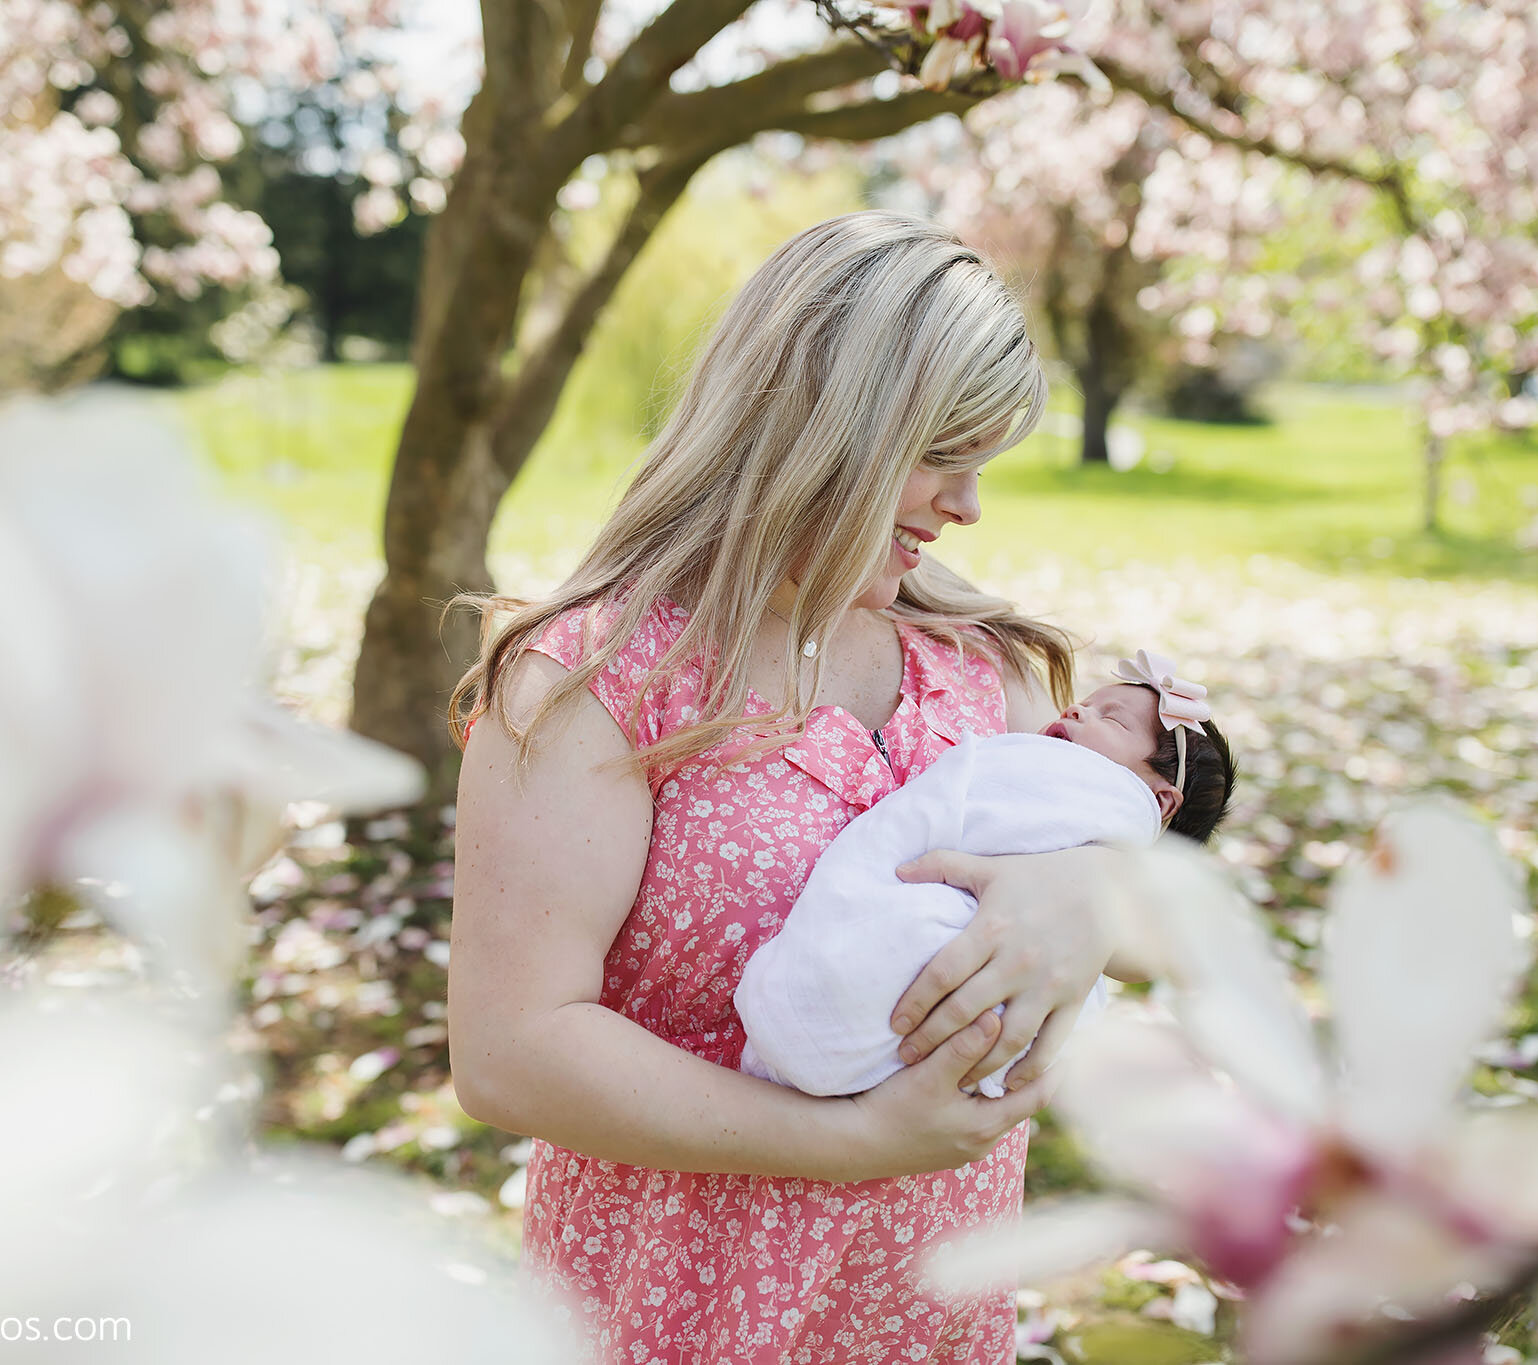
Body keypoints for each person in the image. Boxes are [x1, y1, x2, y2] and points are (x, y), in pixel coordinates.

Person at [448, 212, 1132, 1364]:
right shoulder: (598, 683)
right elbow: (512, 1049)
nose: (968, 506)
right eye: (941, 455)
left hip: (930, 1317)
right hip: (676, 1315)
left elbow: (1110, 847)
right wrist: (855, 1140)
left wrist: (1084, 900)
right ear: (822, 430)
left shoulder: (976, 663)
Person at [737, 651, 1239, 1100]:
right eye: (1086, 701)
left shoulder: (1074, 780)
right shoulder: (1033, 757)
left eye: (1112, 718)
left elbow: (1156, 943)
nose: (1075, 710)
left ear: (1158, 801)